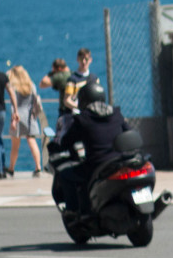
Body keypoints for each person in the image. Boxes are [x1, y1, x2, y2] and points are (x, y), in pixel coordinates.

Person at [55, 82, 129, 216]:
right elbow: (129, 132)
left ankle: (73, 212)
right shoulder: (117, 114)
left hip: (96, 165)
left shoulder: (82, 119)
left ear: (84, 99)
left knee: (65, 175)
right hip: (120, 162)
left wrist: (58, 143)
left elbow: (66, 141)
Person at [7, 66, 44, 177]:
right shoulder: (31, 85)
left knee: (15, 145)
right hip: (29, 116)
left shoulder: (14, 86)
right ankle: (38, 167)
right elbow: (34, 101)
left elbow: (14, 105)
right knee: (32, 141)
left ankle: (11, 168)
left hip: (18, 115)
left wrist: (13, 119)